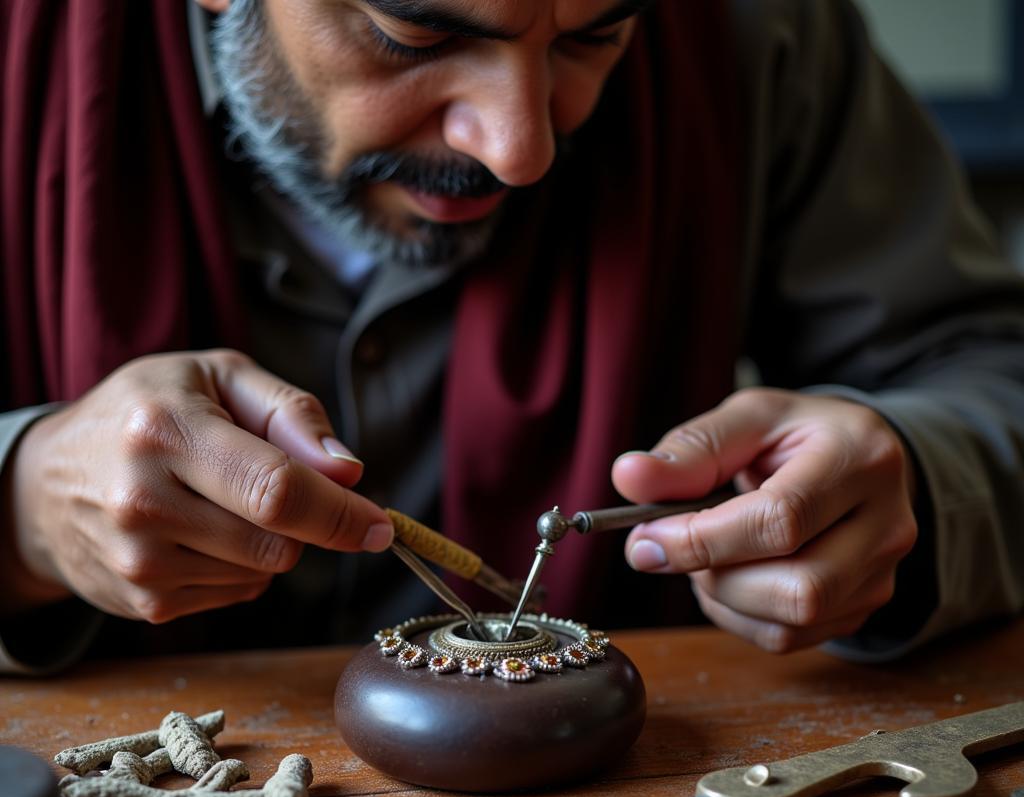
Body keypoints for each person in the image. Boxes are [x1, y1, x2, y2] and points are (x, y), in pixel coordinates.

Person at [2, 0, 1023, 676]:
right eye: (415, 33)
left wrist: (916, 482)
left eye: (593, 37)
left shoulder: (754, 28)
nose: (521, 146)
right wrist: (20, 509)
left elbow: (987, 374)